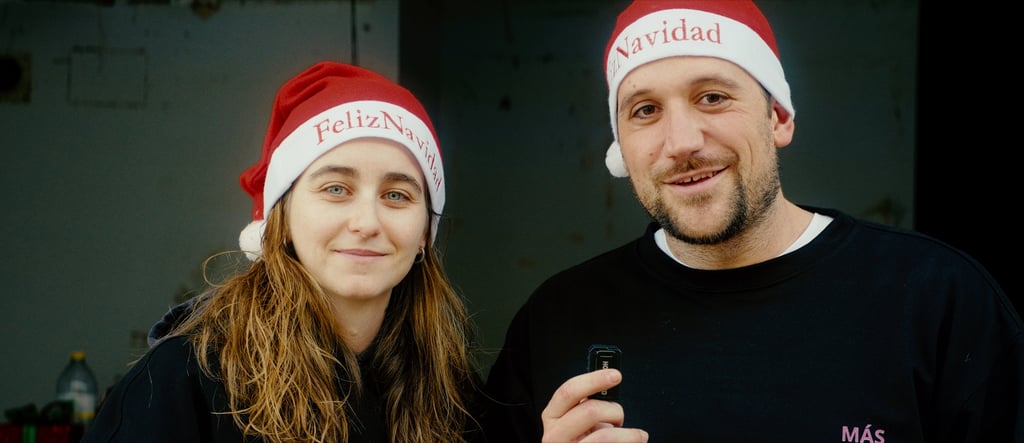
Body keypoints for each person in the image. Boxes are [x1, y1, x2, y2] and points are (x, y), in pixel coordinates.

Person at [478, 1, 1024, 442]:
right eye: (645, 110)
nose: (682, 143)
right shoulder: (557, 318)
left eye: (712, 97)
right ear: (621, 145)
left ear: (778, 117)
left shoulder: (937, 299)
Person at [83, 61, 484, 443]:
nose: (367, 222)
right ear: (282, 218)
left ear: (424, 236)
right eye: (336, 189)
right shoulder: (182, 380)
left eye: (397, 195)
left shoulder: (455, 393)